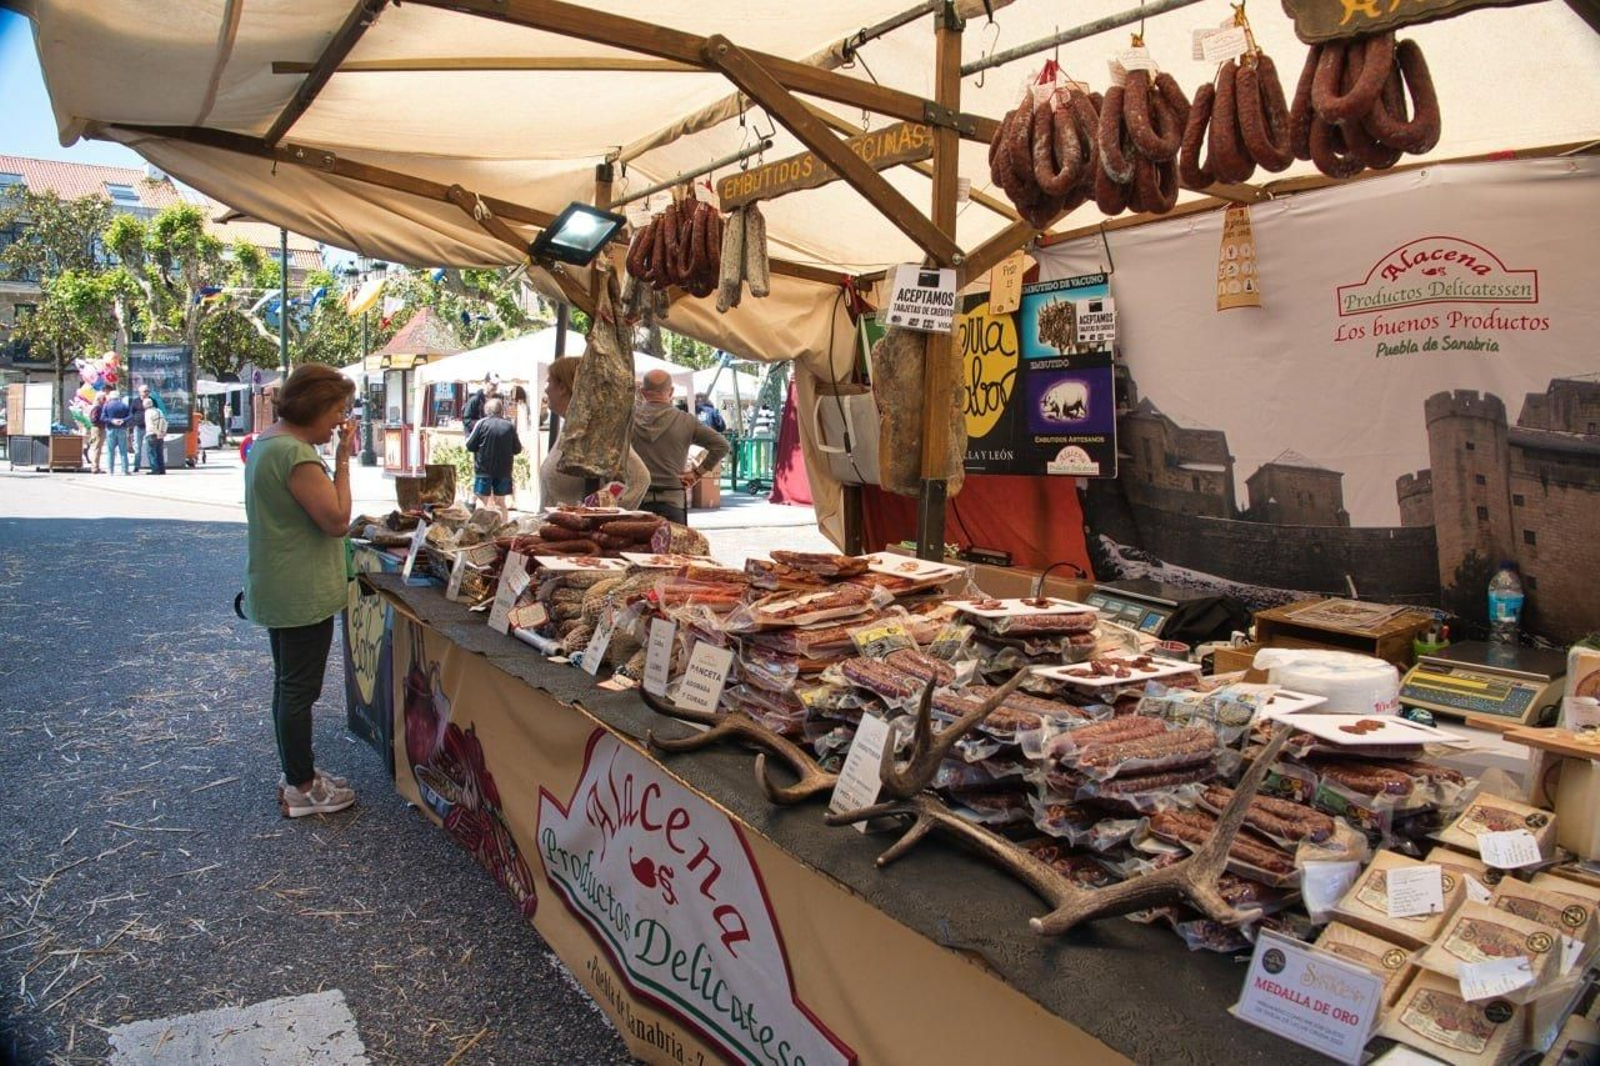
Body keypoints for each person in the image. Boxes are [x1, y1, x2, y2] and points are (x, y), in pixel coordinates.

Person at [242, 363, 358, 818]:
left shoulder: (269, 443)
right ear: (315, 406)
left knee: (288, 685)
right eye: (336, 411)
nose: (338, 421)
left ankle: (297, 772)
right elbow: (336, 521)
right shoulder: (296, 454)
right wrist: (345, 460)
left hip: (279, 582)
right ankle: (302, 787)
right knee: (298, 690)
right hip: (299, 588)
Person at [540, 356, 649, 508]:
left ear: (563, 387)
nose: (546, 388)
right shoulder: (570, 428)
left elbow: (639, 479)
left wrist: (597, 516)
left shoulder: (592, 430)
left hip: (576, 530)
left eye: (549, 381)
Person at [632, 369, 730, 524]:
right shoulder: (686, 421)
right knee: (674, 547)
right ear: (671, 391)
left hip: (635, 500)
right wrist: (697, 473)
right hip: (672, 500)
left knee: (632, 548)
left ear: (643, 392)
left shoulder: (627, 421)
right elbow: (722, 445)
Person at [463, 397, 522, 516]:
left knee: (481, 502)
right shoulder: (509, 426)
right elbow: (517, 449)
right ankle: (503, 529)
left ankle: (480, 530)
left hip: (484, 469)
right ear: (501, 410)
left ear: (487, 410)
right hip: (504, 471)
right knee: (501, 503)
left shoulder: (482, 423)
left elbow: (469, 445)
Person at [102, 390, 134, 475]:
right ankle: (125, 470)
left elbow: (102, 418)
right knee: (123, 450)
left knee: (110, 450)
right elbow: (130, 416)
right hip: (122, 429)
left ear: (110, 397)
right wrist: (123, 420)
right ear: (119, 397)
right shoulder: (124, 405)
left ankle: (110, 470)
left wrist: (112, 420)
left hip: (110, 429)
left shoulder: (107, 406)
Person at [143, 399, 169, 475]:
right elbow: (165, 422)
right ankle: (162, 470)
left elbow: (150, 425)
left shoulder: (148, 412)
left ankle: (155, 469)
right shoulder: (159, 411)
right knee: (159, 453)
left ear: (145, 405)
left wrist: (158, 433)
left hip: (151, 434)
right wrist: (163, 432)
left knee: (151, 453)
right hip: (160, 435)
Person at [88, 389, 108, 474]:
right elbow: (94, 419)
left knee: (97, 448)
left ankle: (96, 466)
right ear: (99, 398)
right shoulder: (97, 407)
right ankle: (95, 467)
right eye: (103, 398)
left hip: (98, 428)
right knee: (96, 447)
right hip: (97, 429)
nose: (105, 400)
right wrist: (103, 421)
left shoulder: (99, 406)